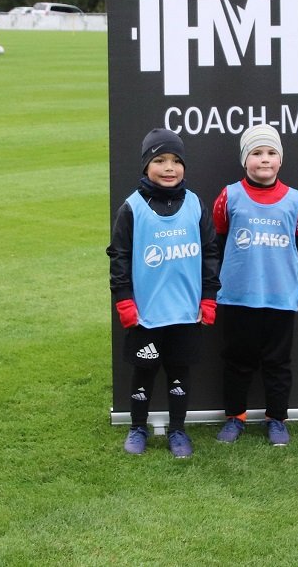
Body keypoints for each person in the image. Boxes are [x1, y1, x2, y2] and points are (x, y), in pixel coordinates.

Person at [107, 129, 221, 458]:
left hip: (186, 312)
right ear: (146, 166)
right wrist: (124, 299)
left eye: (175, 161)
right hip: (146, 312)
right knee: (143, 372)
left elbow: (211, 252)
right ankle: (138, 426)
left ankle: (178, 429)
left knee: (179, 373)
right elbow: (120, 257)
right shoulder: (132, 208)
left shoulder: (195, 204)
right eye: (159, 160)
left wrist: (209, 296)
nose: (169, 168)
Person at [212, 125, 298, 446]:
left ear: (280, 160)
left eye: (270, 153)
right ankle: (235, 417)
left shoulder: (295, 201)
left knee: (278, 362)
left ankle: (277, 419)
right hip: (239, 297)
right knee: (237, 360)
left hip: (280, 297)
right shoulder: (229, 196)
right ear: (245, 160)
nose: (264, 160)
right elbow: (221, 240)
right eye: (256, 153)